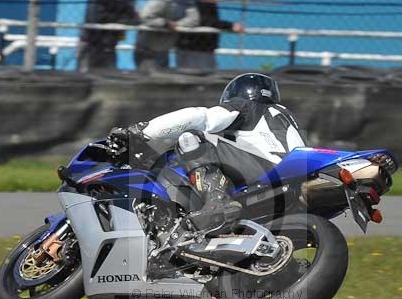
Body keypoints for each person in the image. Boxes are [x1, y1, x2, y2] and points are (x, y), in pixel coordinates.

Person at [108, 73, 306, 232]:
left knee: (191, 136)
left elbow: (201, 117)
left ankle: (216, 202)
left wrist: (142, 131)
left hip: (267, 169)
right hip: (291, 176)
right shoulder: (284, 116)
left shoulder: (247, 106)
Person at [77, 0, 139, 71]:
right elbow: (95, 17)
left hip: (111, 42)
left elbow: (133, 16)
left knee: (109, 76)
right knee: (86, 76)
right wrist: (119, 19)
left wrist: (121, 23)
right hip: (91, 42)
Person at [134, 0, 199, 71]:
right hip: (148, 50)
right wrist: (165, 24)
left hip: (163, 49)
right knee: (151, 81)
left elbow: (194, 19)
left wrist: (177, 24)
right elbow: (145, 16)